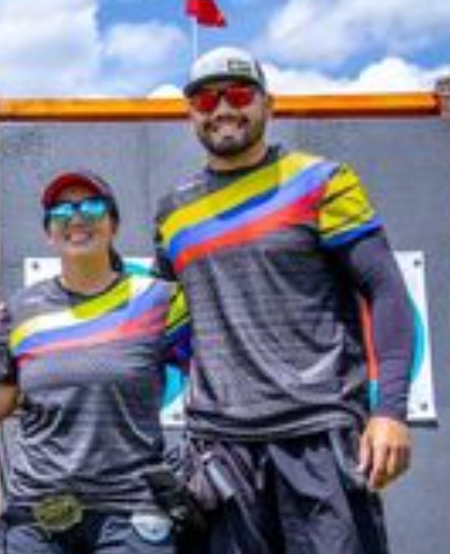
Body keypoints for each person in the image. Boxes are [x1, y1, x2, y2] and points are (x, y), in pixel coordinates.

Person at [153, 46, 413, 554]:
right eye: (206, 100)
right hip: (219, 452)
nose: (223, 109)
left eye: (239, 94)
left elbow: (386, 291)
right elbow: (175, 327)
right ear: (190, 114)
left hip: (319, 434)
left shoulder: (322, 180)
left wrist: (392, 411)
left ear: (268, 105)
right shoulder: (172, 213)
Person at [0, 171, 191, 553]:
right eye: (61, 210)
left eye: (91, 206)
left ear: (113, 224)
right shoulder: (20, 310)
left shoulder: (158, 300)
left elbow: (214, 373)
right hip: (37, 515)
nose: (76, 218)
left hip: (132, 513)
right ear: (48, 232)